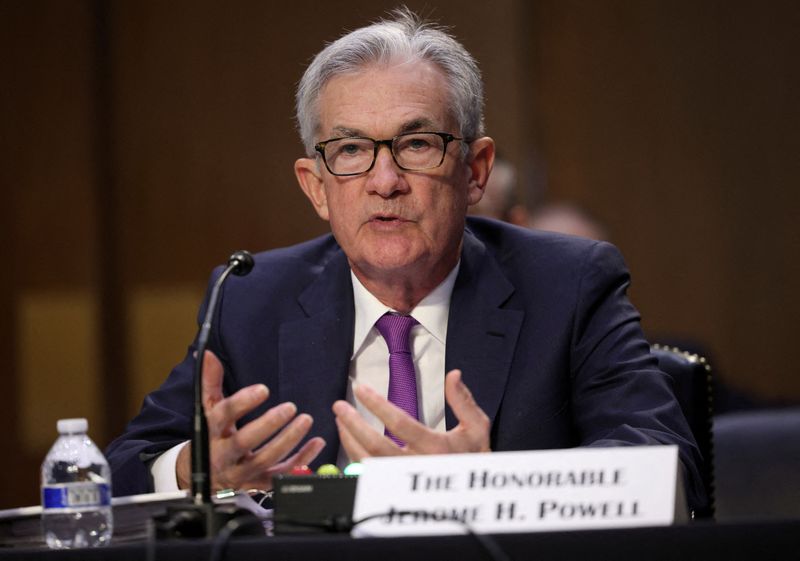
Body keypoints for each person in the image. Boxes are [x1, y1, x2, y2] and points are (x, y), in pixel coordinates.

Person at [105, 8, 707, 511]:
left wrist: (491, 485)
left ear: (474, 171)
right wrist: (195, 469)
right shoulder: (251, 296)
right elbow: (119, 469)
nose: (384, 181)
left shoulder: (568, 285)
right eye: (350, 150)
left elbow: (669, 466)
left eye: (417, 144)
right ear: (316, 187)